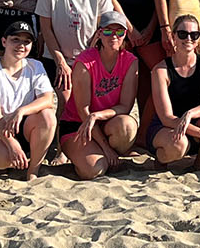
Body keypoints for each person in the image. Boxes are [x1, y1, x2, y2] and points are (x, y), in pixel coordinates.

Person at [0, 20, 58, 181]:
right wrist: (12, 145)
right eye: (15, 39)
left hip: (21, 125)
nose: (21, 45)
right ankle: (0, 164)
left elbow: (48, 99)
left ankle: (33, 170)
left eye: (27, 41)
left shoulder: (35, 66)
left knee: (48, 116)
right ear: (4, 41)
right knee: (5, 157)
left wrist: (22, 111)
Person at [59, 11, 142, 180]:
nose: (113, 36)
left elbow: (126, 106)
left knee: (127, 126)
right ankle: (94, 153)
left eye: (119, 32)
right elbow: (83, 111)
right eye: (107, 31)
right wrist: (105, 146)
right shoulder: (84, 62)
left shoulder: (130, 61)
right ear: (99, 33)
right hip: (78, 124)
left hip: (105, 121)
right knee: (93, 170)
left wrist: (97, 116)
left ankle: (108, 155)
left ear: (125, 34)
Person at [37, 0, 122, 93]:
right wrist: (61, 62)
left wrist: (87, 58)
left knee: (85, 103)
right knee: (65, 103)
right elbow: (46, 28)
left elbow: (102, 27)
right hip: (56, 57)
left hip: (90, 55)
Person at [151, 14, 200, 169]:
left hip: (193, 121)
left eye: (194, 35)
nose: (188, 39)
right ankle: (161, 160)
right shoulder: (160, 70)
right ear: (173, 37)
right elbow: (166, 118)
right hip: (166, 127)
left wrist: (190, 114)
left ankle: (199, 163)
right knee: (179, 146)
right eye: (182, 34)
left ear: (198, 39)